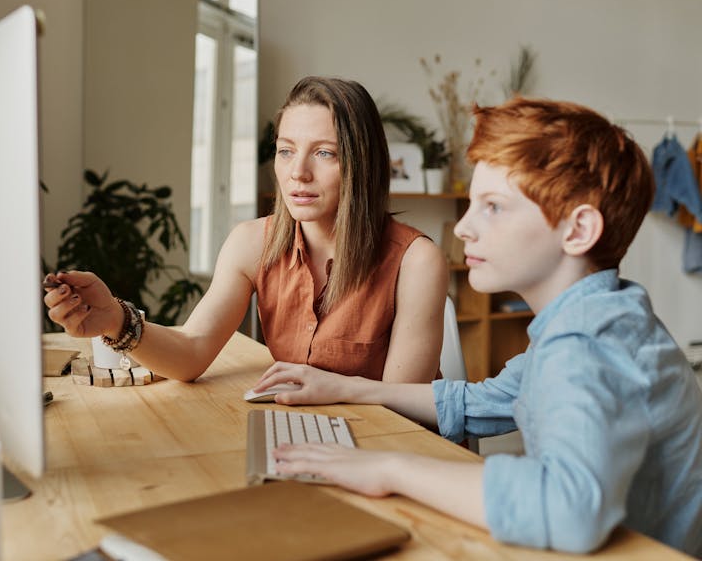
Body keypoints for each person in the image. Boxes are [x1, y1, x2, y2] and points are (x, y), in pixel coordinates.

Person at [256, 98, 702, 556]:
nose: (464, 228)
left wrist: (390, 469)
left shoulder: (586, 343)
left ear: (578, 230)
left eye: (493, 207)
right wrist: (346, 387)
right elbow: (481, 401)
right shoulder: (600, 316)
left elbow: (569, 509)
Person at [44, 76, 447, 383]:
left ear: (363, 164)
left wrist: (322, 391)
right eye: (286, 150)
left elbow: (402, 409)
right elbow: (191, 351)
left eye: (324, 153)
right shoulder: (252, 242)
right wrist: (115, 319)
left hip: (391, 452)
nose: (297, 173)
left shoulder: (416, 261)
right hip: (308, 438)